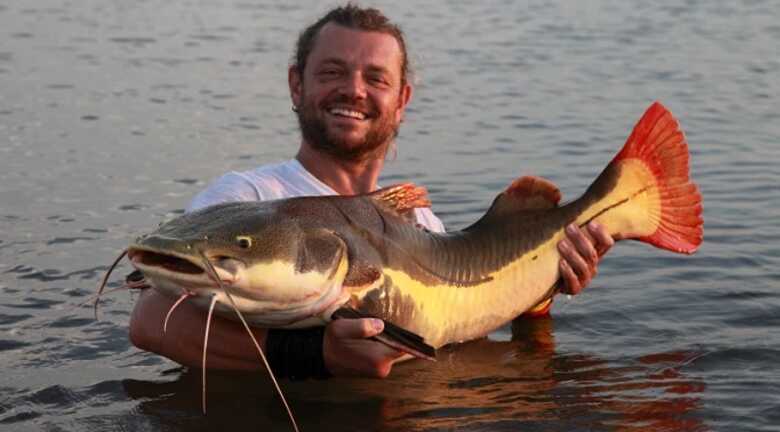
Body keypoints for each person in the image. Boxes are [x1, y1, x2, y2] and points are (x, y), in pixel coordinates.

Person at [129, 4, 614, 379]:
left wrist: (540, 290)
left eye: (375, 78)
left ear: (401, 100)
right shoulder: (248, 198)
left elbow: (478, 337)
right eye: (332, 72)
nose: (354, 90)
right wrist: (316, 355)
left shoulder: (421, 226)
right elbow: (151, 321)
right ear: (297, 85)